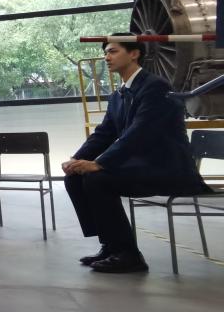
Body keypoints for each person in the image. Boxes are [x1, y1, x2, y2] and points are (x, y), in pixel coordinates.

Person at [62, 34, 210, 274]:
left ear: (134, 53)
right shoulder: (119, 95)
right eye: (105, 53)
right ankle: (111, 245)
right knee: (75, 178)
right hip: (141, 167)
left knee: (98, 179)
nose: (106, 57)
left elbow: (140, 133)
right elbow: (104, 133)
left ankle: (129, 255)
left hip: (168, 170)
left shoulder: (156, 87)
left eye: (113, 51)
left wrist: (100, 163)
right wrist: (76, 160)